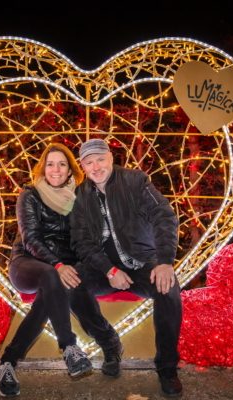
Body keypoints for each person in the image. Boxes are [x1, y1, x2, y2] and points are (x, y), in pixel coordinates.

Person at [69, 138, 183, 397]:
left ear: (111, 157)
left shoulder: (135, 181)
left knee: (168, 289)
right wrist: (109, 270)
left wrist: (165, 261)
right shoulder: (80, 195)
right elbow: (81, 241)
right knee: (72, 284)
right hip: (104, 265)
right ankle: (109, 343)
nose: (96, 166)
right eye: (89, 162)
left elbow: (163, 216)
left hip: (142, 260)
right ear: (82, 166)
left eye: (100, 159)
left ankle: (167, 368)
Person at [0, 143, 92, 397]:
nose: (55, 169)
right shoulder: (30, 194)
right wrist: (58, 265)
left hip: (59, 271)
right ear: (43, 168)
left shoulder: (81, 198)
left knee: (48, 295)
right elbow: (31, 239)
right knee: (51, 275)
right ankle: (70, 347)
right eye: (50, 164)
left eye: (62, 164)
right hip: (27, 263)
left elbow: (85, 238)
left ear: (71, 170)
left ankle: (7, 363)